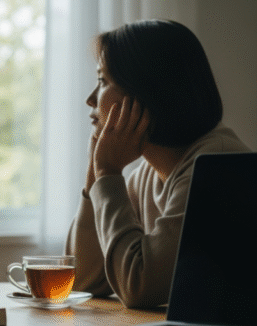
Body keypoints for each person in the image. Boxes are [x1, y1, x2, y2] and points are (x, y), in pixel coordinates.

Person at [65, 19, 251, 309]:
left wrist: (109, 173)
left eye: (102, 81)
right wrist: (96, 175)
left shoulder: (216, 164)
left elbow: (140, 287)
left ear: (146, 92)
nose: (91, 99)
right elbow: (86, 278)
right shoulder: (147, 176)